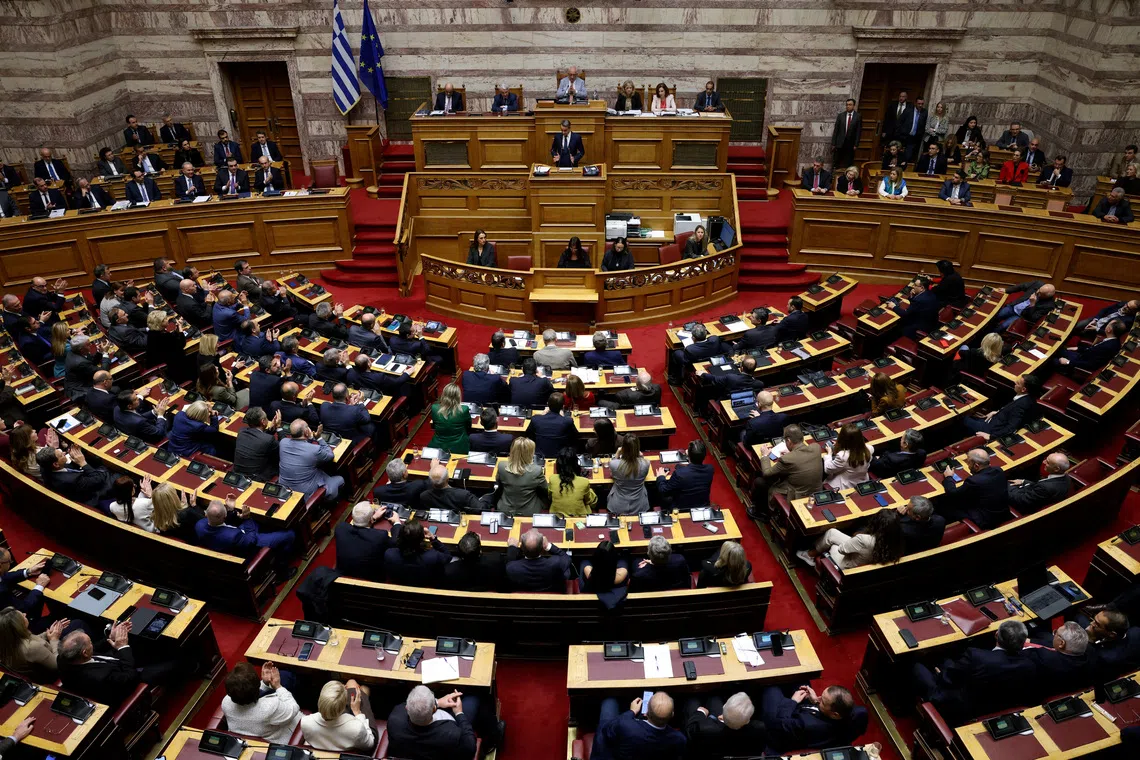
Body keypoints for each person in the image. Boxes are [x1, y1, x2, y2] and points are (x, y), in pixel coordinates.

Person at [911, 620, 1036, 723]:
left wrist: (940, 674)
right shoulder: (1029, 663)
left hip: (959, 706)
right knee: (947, 661)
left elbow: (947, 679)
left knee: (916, 665)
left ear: (996, 635)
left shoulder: (977, 656)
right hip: (994, 705)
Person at [57, 623, 176, 706]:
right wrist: (123, 647)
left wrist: (110, 637)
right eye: (90, 643)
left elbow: (95, 649)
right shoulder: (101, 677)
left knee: (140, 641)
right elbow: (130, 677)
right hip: (130, 681)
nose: (92, 644)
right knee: (173, 664)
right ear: (85, 653)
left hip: (112, 663)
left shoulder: (63, 658)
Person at [758, 684, 866, 753]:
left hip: (779, 729)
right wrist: (814, 700)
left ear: (835, 714)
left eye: (822, 701)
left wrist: (793, 701)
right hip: (805, 714)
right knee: (798, 681)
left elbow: (778, 723)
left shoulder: (806, 724)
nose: (818, 699)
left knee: (771, 687)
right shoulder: (855, 713)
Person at [386, 684, 479, 760]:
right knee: (472, 699)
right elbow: (470, 748)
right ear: (434, 710)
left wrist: (438, 702)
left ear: (406, 708)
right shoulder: (451, 733)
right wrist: (459, 713)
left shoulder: (394, 720)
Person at [220, 661, 301, 743]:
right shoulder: (270, 707)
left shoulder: (226, 702)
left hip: (251, 735)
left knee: (284, 675)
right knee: (287, 676)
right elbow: (294, 708)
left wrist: (264, 683)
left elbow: (245, 691)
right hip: (276, 739)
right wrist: (278, 686)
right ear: (257, 686)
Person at [195, 498, 296, 563]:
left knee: (257, 522)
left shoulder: (199, 525)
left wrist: (231, 510)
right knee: (289, 534)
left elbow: (219, 520)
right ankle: (282, 570)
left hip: (228, 542)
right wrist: (247, 518)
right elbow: (252, 540)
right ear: (224, 516)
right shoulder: (234, 536)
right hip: (249, 547)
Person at [798, 508, 904, 569]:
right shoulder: (895, 538)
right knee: (832, 533)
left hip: (848, 564)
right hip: (866, 555)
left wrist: (854, 540)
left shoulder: (863, 539)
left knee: (834, 543)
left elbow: (842, 550)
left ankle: (809, 555)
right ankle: (810, 553)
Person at [752, 424, 823, 515]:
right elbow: (801, 457)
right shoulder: (816, 447)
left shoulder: (787, 459)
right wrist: (792, 453)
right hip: (815, 493)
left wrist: (765, 455)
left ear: (789, 441)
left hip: (796, 495)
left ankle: (761, 512)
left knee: (760, 481)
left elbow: (766, 473)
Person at [592, 691, 686, 760]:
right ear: (672, 715)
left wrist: (631, 712)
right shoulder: (679, 739)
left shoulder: (626, 727)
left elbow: (606, 730)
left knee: (609, 702)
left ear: (646, 713)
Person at [936, 448, 1009, 529]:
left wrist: (948, 477)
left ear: (976, 465)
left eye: (968, 462)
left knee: (944, 506)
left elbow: (952, 493)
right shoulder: (999, 470)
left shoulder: (974, 481)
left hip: (987, 520)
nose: (967, 465)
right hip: (1003, 513)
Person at [300, 679, 376, 753]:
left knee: (355, 684)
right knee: (361, 687)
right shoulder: (356, 728)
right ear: (344, 706)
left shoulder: (305, 722)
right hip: (354, 741)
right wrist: (357, 713)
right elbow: (370, 744)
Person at [683, 692, 766, 760]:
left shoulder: (704, 730)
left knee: (692, 701)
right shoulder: (759, 728)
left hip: (708, 750)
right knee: (714, 698)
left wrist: (701, 712)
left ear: (723, 708)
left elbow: (690, 729)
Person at [279, 419, 344, 502]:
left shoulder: (283, 442)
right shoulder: (314, 449)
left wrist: (309, 438)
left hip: (285, 488)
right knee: (340, 479)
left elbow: (302, 446)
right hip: (306, 491)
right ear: (306, 432)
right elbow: (330, 456)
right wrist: (319, 438)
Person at [964, 373, 1040, 440]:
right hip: (994, 421)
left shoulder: (1021, 405)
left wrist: (991, 436)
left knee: (962, 419)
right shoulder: (1030, 398)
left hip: (990, 429)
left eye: (1017, 383)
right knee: (970, 415)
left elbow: (1011, 428)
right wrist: (998, 412)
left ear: (1023, 389)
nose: (1014, 383)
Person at [1025, 621, 1090, 695]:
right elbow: (1052, 644)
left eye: (1056, 633)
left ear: (1062, 643)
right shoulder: (1086, 656)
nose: (1054, 634)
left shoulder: (1043, 658)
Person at [37, 446, 114, 507]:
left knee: (94, 460)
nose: (64, 453)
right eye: (61, 455)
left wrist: (77, 457)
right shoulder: (71, 480)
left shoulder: (44, 466)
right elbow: (98, 479)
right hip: (93, 493)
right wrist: (82, 462)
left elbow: (67, 468)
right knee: (110, 470)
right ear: (56, 464)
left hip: (80, 483)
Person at [496, 437, 549, 516]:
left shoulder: (501, 466)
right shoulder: (536, 470)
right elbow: (546, 490)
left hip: (505, 508)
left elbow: (499, 483)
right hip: (529, 510)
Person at [505, 528, 570, 592]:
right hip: (550, 591)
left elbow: (510, 563)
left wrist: (512, 547)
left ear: (521, 548)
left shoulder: (512, 568)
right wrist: (548, 546)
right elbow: (567, 558)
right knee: (567, 571)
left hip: (524, 593)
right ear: (542, 548)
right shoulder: (555, 563)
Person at [655, 440, 714, 508]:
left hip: (683, 508)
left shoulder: (679, 474)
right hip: (702, 506)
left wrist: (661, 477)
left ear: (687, 454)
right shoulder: (710, 469)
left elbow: (664, 490)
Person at [1058, 319, 1126, 372]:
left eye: (1108, 324)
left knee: (1053, 360)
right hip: (1083, 356)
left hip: (1078, 364)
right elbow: (1093, 350)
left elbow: (1091, 365)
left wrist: (1068, 362)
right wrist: (1078, 348)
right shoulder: (1114, 341)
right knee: (1059, 350)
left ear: (1109, 329)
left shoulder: (1108, 346)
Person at [233, 407, 281, 482]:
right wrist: (278, 427)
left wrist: (270, 430)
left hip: (237, 474)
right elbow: (282, 449)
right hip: (255, 478)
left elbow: (259, 438)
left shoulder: (241, 432)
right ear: (263, 422)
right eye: (266, 418)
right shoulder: (269, 439)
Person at [607, 435, 651, 515]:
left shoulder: (614, 464)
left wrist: (617, 453)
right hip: (639, 504)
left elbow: (612, 473)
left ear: (623, 448)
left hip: (618, 504)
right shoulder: (646, 463)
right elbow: (643, 467)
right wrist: (641, 455)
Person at [823, 423, 874, 489]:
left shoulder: (842, 456)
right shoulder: (870, 449)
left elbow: (828, 469)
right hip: (862, 481)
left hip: (845, 485)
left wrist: (829, 454)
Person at [551, 447, 598, 517]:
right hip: (579, 516)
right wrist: (590, 490)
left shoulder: (552, 479)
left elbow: (550, 497)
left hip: (557, 516)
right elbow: (591, 501)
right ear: (575, 463)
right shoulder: (584, 482)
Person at [527, 392, 577, 457]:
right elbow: (575, 437)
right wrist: (563, 417)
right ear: (562, 406)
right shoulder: (567, 421)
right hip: (561, 456)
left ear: (547, 404)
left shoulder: (535, 419)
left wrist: (542, 415)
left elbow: (528, 436)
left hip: (540, 456)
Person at [419, 463, 483, 515]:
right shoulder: (463, 495)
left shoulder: (424, 496)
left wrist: (434, 468)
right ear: (448, 478)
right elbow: (481, 509)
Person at [427, 382, 470, 453]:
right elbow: (469, 425)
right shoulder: (464, 409)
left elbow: (434, 426)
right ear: (458, 396)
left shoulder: (435, 408)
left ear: (443, 395)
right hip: (459, 445)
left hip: (439, 444)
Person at [832, 99, 861, 169]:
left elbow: (858, 131)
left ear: (854, 106)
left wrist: (856, 144)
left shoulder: (858, 116)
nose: (848, 106)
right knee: (836, 161)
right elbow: (836, 130)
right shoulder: (840, 116)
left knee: (848, 162)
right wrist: (833, 143)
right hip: (840, 143)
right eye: (847, 104)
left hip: (851, 144)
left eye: (850, 105)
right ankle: (834, 176)